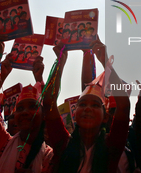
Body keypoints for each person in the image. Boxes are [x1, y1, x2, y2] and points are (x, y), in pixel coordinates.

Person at [43, 42, 130, 172]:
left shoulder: (112, 147)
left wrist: (105, 61)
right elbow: (49, 102)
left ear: (105, 117)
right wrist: (61, 60)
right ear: (75, 113)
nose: (87, 108)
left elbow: (123, 105)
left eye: (95, 105)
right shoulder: (63, 144)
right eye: (82, 104)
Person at [0, 32, 53, 172]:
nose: (24, 112)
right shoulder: (3, 143)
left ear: (44, 115)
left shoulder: (50, 156)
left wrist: (40, 79)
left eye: (32, 106)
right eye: (20, 108)